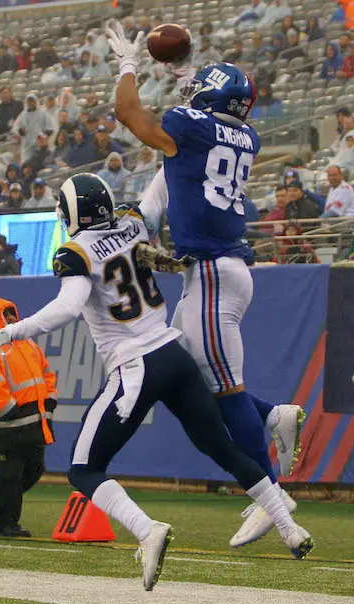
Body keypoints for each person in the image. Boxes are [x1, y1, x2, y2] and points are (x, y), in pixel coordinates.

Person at [0, 173, 314, 589]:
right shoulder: (133, 223)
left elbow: (67, 307)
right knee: (222, 447)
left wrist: (10, 331)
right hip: (173, 354)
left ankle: (147, 529)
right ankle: (289, 527)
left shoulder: (76, 252)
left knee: (83, 469)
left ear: (74, 212)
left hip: (135, 368)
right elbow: (163, 182)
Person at [105, 22, 306, 549]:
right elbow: (209, 117)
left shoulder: (191, 131)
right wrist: (190, 74)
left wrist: (129, 64)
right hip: (217, 269)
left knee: (224, 388)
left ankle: (271, 495)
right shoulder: (246, 135)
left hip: (215, 273)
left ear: (209, 100)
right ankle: (275, 415)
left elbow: (129, 114)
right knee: (187, 376)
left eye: (197, 92)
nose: (190, 96)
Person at [0, 298, 58, 537]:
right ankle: (6, 523)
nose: (11, 318)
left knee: (34, 469)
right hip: (6, 426)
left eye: (12, 313)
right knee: (10, 474)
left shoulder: (27, 343)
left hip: (33, 423)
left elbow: (47, 373)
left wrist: (50, 399)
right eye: (5, 314)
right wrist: (11, 411)